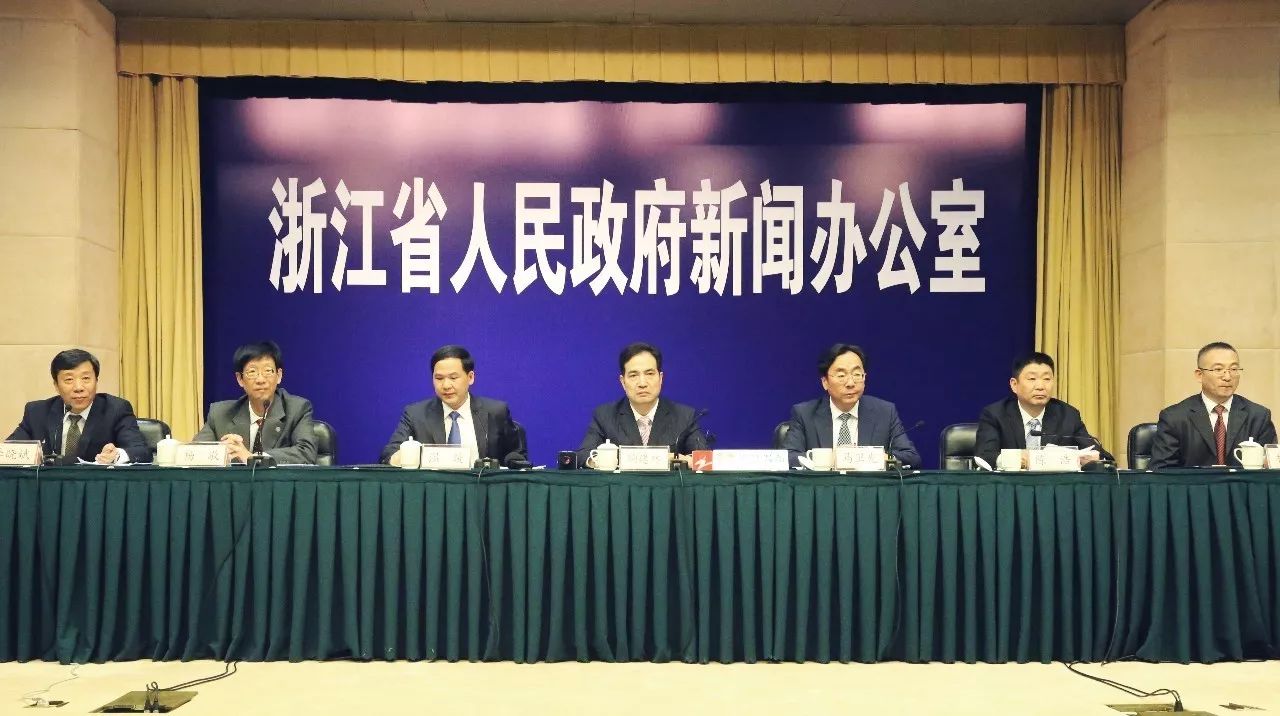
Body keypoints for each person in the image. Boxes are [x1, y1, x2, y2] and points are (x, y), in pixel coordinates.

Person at [380, 345, 526, 467]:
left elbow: (516, 455)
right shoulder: (415, 415)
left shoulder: (495, 412)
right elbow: (388, 455)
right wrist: (407, 456)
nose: (446, 385)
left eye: (453, 377)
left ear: (470, 377)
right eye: (439, 378)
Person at [781, 343, 921, 468]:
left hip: (868, 487)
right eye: (841, 376)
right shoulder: (804, 414)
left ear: (864, 378)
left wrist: (877, 458)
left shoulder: (885, 412)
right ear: (825, 382)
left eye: (857, 374)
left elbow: (911, 457)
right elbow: (788, 457)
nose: (850, 383)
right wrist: (828, 459)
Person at [973, 352, 1113, 469]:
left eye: (1047, 379)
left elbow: (1103, 457)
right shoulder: (995, 414)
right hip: (1010, 487)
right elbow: (983, 456)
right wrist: (1017, 459)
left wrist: (1095, 459)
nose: (1040, 386)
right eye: (1032, 378)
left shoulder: (1068, 415)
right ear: (1014, 385)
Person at [8, 348, 148, 464]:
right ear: (56, 385)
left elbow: (141, 452)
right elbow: (9, 451)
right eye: (69, 379)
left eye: (86, 378)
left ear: (96, 381)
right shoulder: (37, 412)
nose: (78, 387)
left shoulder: (116, 409)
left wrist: (117, 455)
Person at [576, 342, 707, 465]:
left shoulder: (684, 416)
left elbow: (704, 459)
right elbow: (583, 455)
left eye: (649, 374)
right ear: (623, 382)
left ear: (660, 378)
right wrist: (611, 460)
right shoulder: (605, 416)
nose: (642, 383)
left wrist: (676, 459)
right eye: (633, 375)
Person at [1151, 341, 1277, 469]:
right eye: (1218, 369)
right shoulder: (1175, 417)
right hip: (1193, 482)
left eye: (1233, 369)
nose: (1227, 377)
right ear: (1199, 375)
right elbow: (1161, 471)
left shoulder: (1258, 416)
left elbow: (1271, 470)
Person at [193, 341, 318, 464]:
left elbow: (306, 452)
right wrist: (220, 451)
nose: (260, 379)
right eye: (252, 372)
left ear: (279, 375)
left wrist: (254, 458)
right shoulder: (220, 414)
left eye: (267, 371)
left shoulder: (297, 409)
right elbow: (193, 454)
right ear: (240, 379)